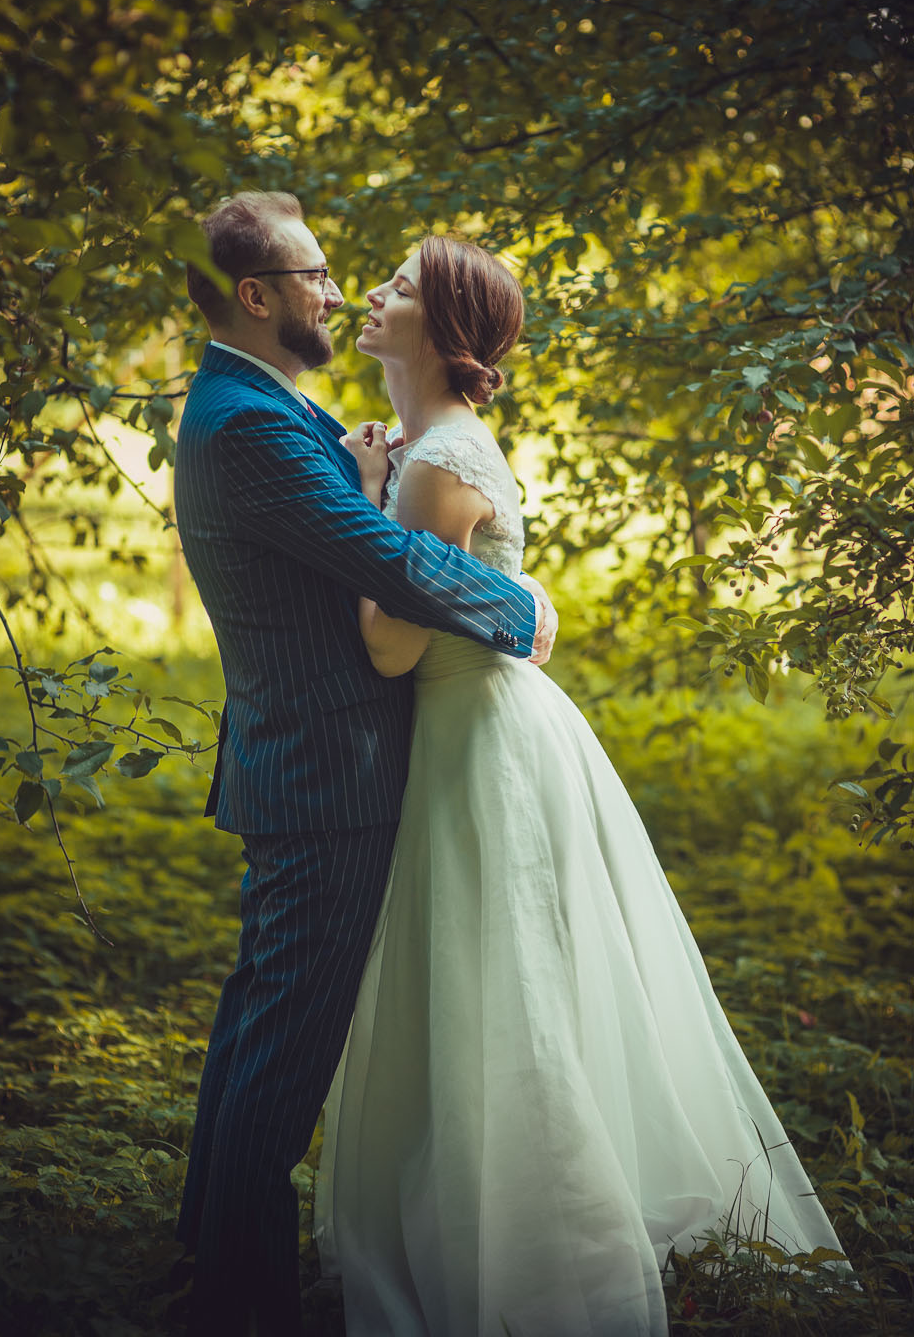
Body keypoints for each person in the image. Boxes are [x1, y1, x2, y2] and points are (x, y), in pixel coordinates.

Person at [316, 237, 846, 1337]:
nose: (370, 293)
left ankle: (541, 1247)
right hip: (482, 725)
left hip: (477, 740)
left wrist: (362, 496)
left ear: (443, 328)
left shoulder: (432, 463)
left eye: (399, 287)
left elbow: (389, 649)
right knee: (496, 975)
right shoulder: (434, 447)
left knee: (501, 984)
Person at [172, 192, 557, 1337]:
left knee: (260, 1027)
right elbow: (389, 563)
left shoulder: (267, 406)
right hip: (325, 772)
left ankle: (206, 1259)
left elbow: (358, 534)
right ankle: (240, 1305)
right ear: (256, 294)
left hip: (308, 761)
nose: (337, 293)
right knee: (281, 1058)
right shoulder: (247, 422)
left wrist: (363, 471)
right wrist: (523, 609)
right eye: (316, 275)